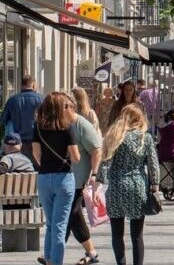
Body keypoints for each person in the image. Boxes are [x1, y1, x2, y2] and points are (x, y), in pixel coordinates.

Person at [101, 105, 159, 265]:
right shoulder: (144, 138)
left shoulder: (114, 135)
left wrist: (98, 180)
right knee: (137, 236)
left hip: (116, 187)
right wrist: (155, 184)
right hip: (137, 186)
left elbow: (105, 162)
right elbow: (153, 164)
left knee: (117, 234)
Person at [33, 92, 81, 265]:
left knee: (51, 224)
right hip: (64, 178)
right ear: (62, 108)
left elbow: (36, 154)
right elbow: (76, 158)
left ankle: (48, 258)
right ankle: (56, 262)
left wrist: (46, 164)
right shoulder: (68, 128)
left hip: (44, 178)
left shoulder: (38, 127)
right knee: (60, 225)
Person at [64, 94, 103, 265]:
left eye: (61, 106)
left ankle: (91, 252)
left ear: (70, 107)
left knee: (71, 214)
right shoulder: (62, 124)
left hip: (79, 180)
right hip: (65, 179)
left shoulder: (81, 125)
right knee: (67, 216)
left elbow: (96, 149)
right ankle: (90, 252)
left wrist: (94, 174)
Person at [1, 74, 44, 164]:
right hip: (37, 141)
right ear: (34, 85)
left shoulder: (12, 100)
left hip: (17, 143)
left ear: (22, 85)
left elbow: (3, 119)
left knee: (20, 170)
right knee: (36, 169)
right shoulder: (41, 99)